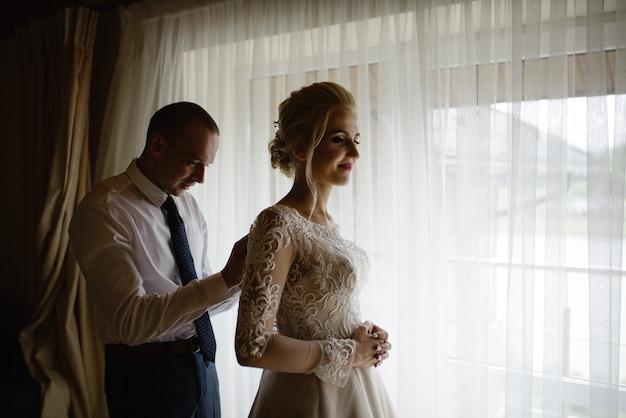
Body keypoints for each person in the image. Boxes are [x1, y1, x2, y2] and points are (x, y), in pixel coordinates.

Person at [69, 101, 247, 418]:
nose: (202, 177)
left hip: (204, 370)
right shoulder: (104, 210)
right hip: (146, 380)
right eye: (194, 162)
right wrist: (221, 281)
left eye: (207, 165)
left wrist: (238, 280)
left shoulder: (189, 209)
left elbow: (201, 302)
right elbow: (131, 322)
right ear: (157, 145)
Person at [235, 82, 397, 417]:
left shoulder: (329, 224)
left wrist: (362, 336)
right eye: (339, 139)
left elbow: (321, 311)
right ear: (300, 147)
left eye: (356, 140)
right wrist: (350, 353)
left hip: (355, 391)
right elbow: (251, 346)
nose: (354, 152)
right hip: (305, 397)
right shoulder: (278, 223)